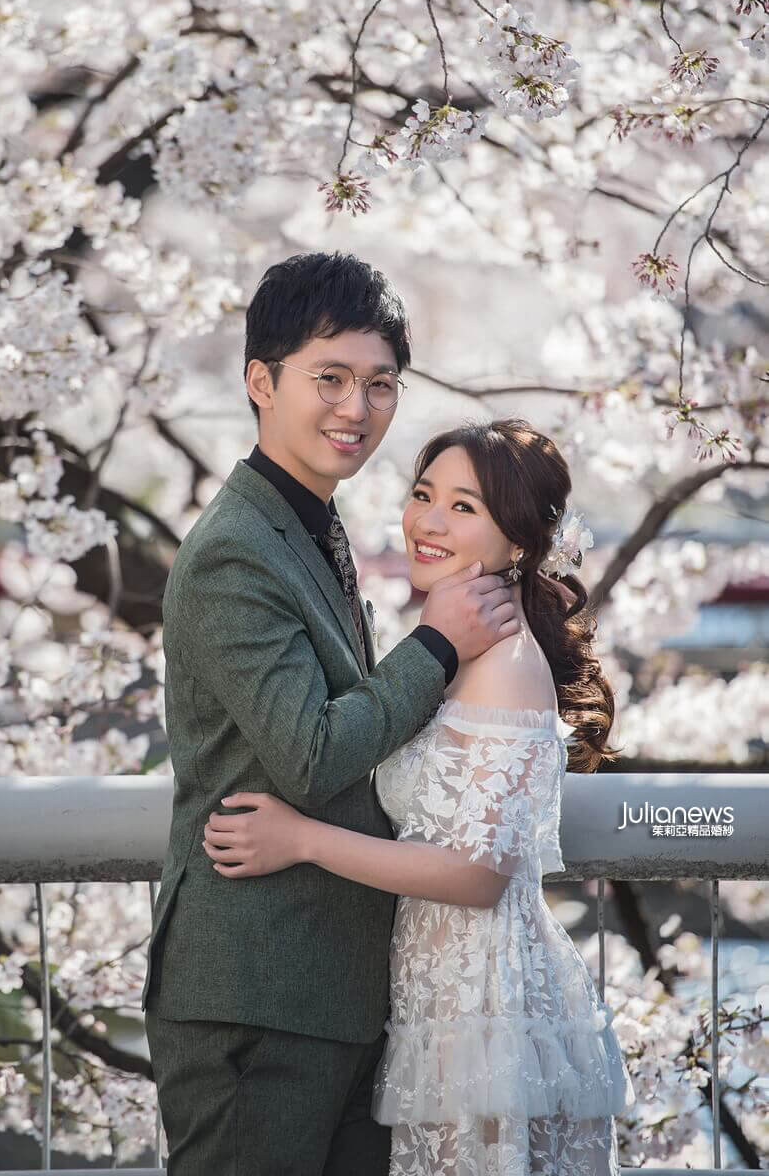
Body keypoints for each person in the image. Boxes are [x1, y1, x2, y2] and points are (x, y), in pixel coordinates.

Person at [142, 252, 522, 1176]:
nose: (357, 408)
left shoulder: (309, 520)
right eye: (331, 378)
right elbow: (310, 753)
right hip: (256, 993)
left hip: (335, 992)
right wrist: (436, 646)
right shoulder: (236, 551)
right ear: (261, 383)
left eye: (380, 384)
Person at [202, 418, 636, 1176]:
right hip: (439, 1002)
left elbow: (478, 873)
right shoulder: (455, 646)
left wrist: (301, 839)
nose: (428, 522)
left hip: (485, 1002)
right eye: (423, 494)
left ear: (519, 543)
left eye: (464, 507)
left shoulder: (506, 664)